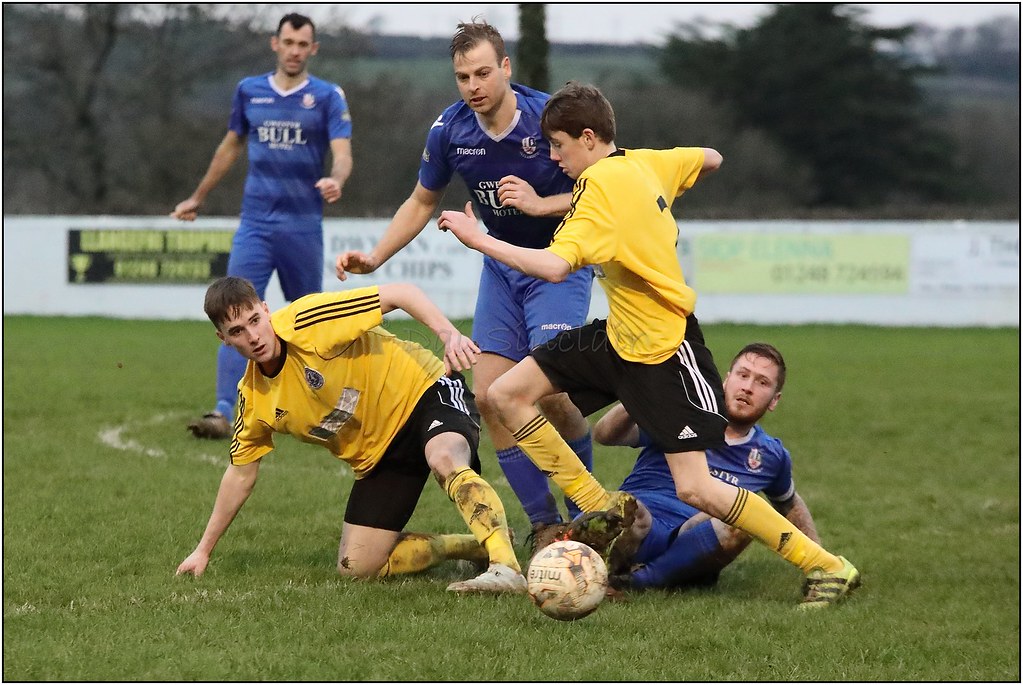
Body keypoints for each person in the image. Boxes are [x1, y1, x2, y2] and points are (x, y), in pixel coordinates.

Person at [437, 81, 860, 608]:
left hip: (664, 350)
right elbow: (711, 157)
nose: (554, 157)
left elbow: (553, 266)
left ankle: (828, 566)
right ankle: (599, 507)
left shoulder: (598, 190)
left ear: (587, 138)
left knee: (696, 488)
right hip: (618, 338)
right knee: (504, 393)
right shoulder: (645, 162)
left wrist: (478, 239)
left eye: (559, 146)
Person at [334, 20, 594, 549]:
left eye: (482, 73)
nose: (473, 86)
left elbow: (606, 186)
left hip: (557, 264)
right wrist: (376, 257)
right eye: (462, 77)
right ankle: (544, 524)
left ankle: (588, 515)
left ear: (506, 67)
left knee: (550, 395)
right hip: (501, 268)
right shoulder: (450, 131)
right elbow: (422, 201)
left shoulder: (549, 118)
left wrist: (541, 204)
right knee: (489, 397)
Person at [175, 276, 527, 595]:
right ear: (223, 339)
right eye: (237, 331)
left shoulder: (308, 320)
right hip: (379, 454)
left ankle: (506, 568)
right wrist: (203, 551)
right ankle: (472, 547)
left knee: (444, 456)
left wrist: (448, 334)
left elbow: (401, 293)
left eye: (255, 320)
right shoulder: (254, 399)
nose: (253, 336)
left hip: (424, 392)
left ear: (266, 310)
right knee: (356, 567)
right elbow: (240, 475)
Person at [172, 13, 354, 440]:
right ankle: (223, 411)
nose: (294, 51)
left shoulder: (327, 96)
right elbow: (230, 146)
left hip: (302, 226)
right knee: (233, 312)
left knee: (310, 319)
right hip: (255, 224)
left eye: (303, 44)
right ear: (275, 43)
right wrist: (198, 196)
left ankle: (327, 403)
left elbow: (343, 152)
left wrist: (337, 179)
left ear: (313, 49)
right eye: (288, 42)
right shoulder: (249, 90)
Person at [590, 343, 831, 594]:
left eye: (762, 382)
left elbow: (789, 502)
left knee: (746, 517)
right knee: (627, 509)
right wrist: (639, 395)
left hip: (692, 541)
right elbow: (605, 435)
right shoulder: (682, 414)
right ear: (726, 380)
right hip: (641, 523)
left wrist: (821, 562)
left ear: (774, 400)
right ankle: (601, 565)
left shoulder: (770, 456)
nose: (748, 387)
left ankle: (639, 582)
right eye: (743, 375)